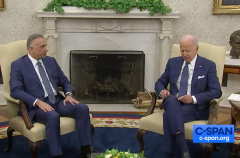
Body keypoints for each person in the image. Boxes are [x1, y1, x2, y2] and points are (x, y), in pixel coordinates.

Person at [10, 34, 92, 158]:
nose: (46, 49)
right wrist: (37, 102)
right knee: (52, 116)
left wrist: (68, 95)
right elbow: (15, 90)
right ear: (31, 49)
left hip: (57, 101)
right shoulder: (18, 65)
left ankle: (85, 150)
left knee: (82, 108)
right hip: (37, 107)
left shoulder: (50, 61)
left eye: (46, 45)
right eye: (42, 46)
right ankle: (56, 155)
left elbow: (64, 81)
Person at [155, 35, 222, 158]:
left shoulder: (208, 65)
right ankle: (184, 149)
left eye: (188, 51)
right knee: (171, 100)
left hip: (194, 107)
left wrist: (193, 98)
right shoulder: (173, 63)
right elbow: (160, 82)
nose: (184, 54)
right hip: (172, 101)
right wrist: (162, 91)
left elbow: (217, 91)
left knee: (168, 115)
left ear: (197, 48)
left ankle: (168, 153)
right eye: (182, 50)